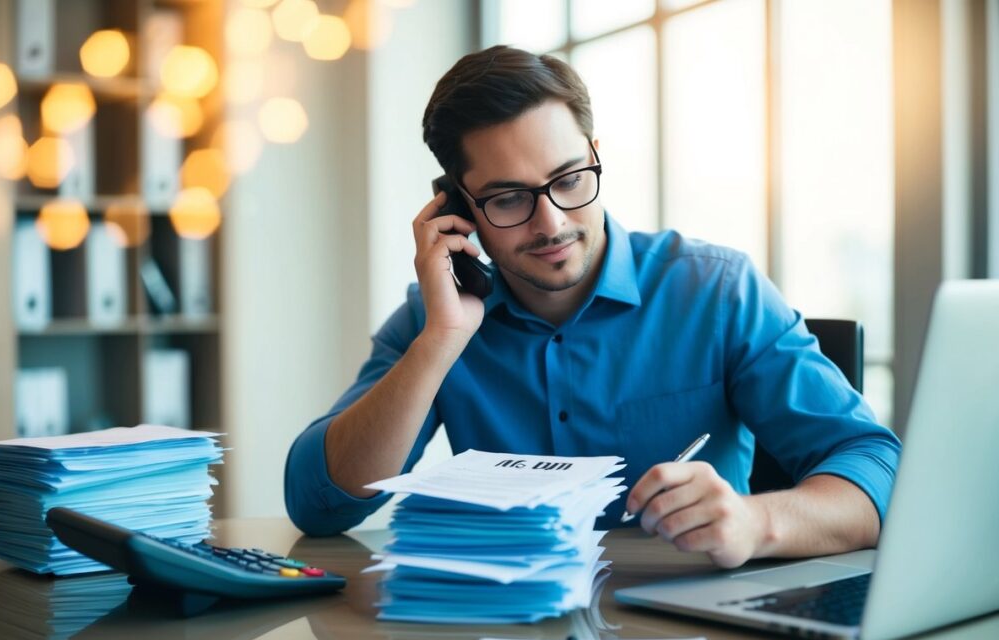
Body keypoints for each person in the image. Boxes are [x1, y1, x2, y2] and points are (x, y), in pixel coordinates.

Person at [284, 45, 900, 569]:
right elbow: (319, 505)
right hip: (508, 636)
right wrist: (441, 341)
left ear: (595, 154)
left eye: (570, 179)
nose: (551, 223)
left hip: (690, 638)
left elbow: (879, 470)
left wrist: (752, 521)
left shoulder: (717, 291)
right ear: (459, 209)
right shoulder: (433, 321)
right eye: (506, 198)